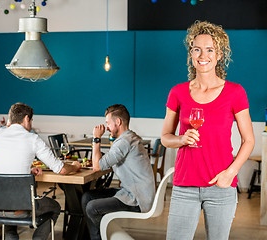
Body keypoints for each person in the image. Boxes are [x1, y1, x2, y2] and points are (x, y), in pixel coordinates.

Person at [161, 21, 255, 240]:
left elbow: (248, 140)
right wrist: (182, 139)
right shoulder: (177, 92)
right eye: (197, 49)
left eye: (210, 49)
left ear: (219, 54)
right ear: (191, 54)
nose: (203, 55)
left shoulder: (235, 92)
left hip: (220, 185)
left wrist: (230, 173)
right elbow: (165, 138)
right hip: (185, 185)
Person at [0, 102, 81, 240]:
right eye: (31, 120)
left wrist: (27, 170)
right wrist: (75, 166)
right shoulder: (32, 139)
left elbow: (6, 164)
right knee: (55, 207)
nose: (31, 124)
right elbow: (61, 169)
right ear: (26, 119)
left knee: (8, 209)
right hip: (21, 207)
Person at [81, 104, 155, 240]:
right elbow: (107, 161)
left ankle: (104, 234)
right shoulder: (128, 137)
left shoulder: (124, 142)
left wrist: (96, 138)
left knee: (92, 207)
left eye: (108, 123)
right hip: (132, 192)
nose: (107, 127)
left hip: (137, 199)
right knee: (87, 197)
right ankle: (96, 237)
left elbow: (97, 166)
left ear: (118, 122)